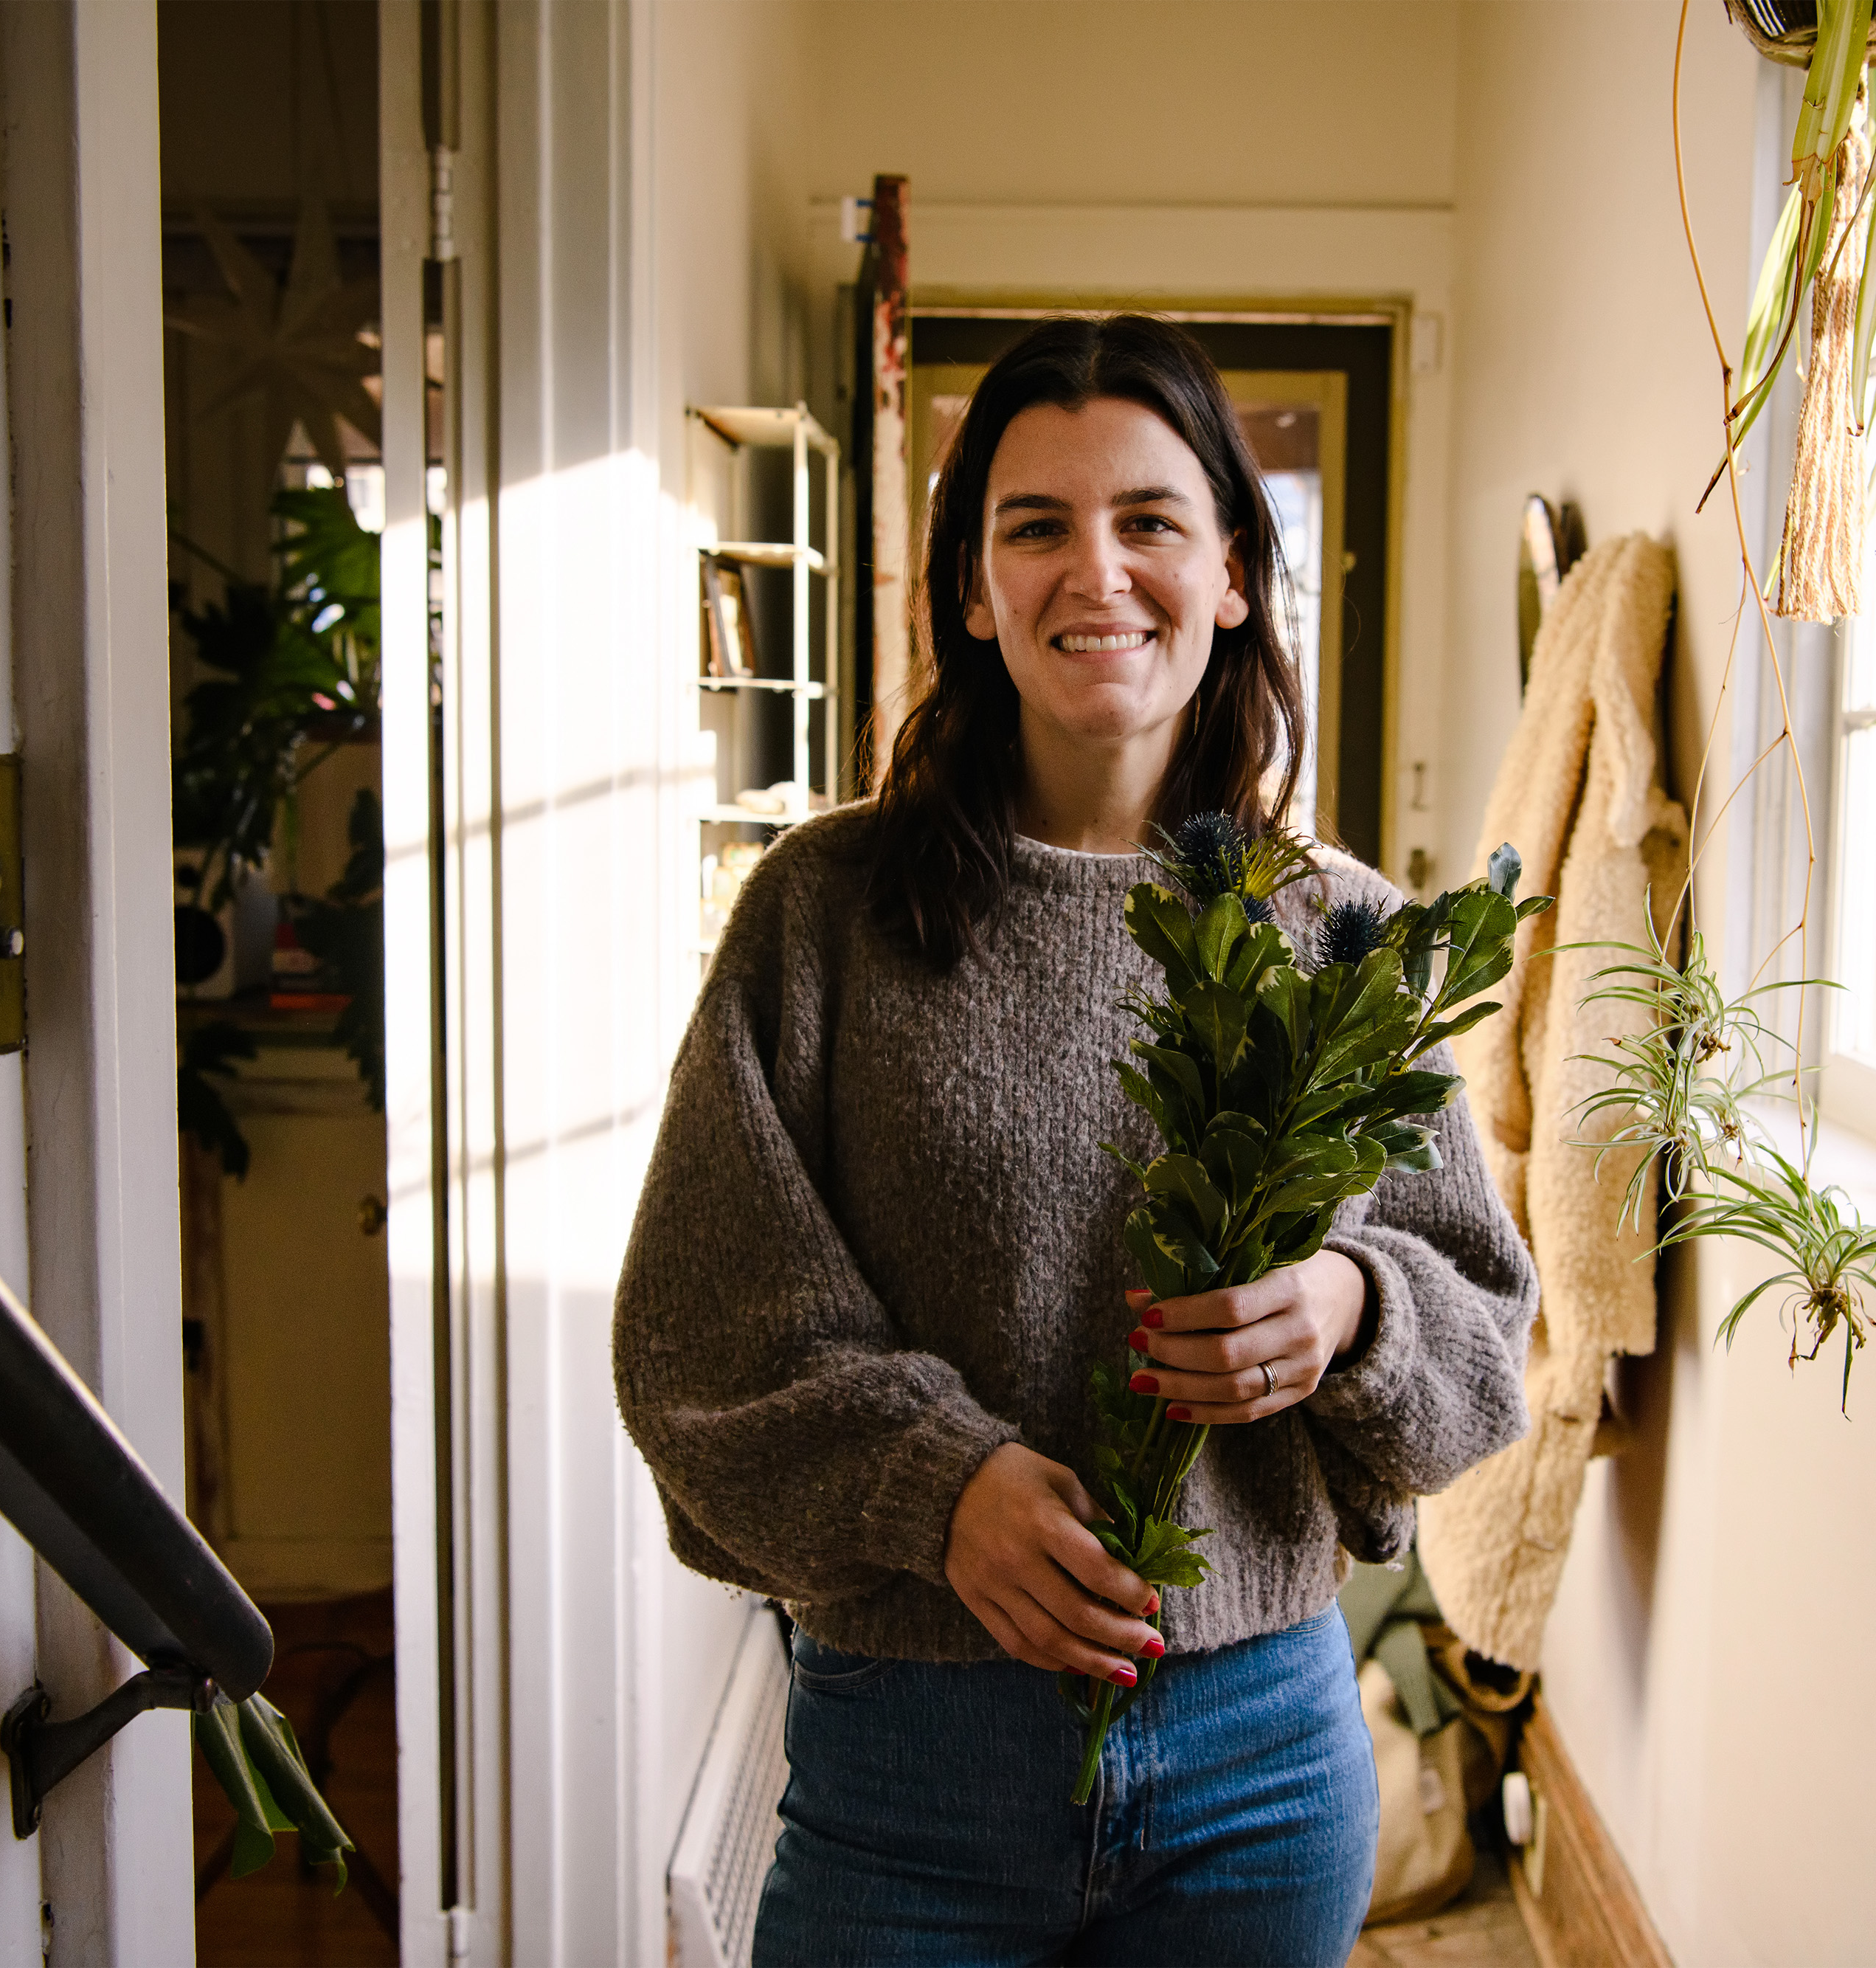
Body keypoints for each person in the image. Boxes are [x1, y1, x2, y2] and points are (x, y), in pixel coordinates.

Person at [614, 314, 1535, 1968]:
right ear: (971, 589)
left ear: (1236, 573)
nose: (1091, 569)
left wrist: (1346, 1308)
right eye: (1032, 524)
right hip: (909, 1765)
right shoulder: (821, 921)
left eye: (1148, 521)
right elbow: (696, 1339)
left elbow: (1485, 1334)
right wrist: (931, 1482)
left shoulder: (1347, 938)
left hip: (1259, 1764)